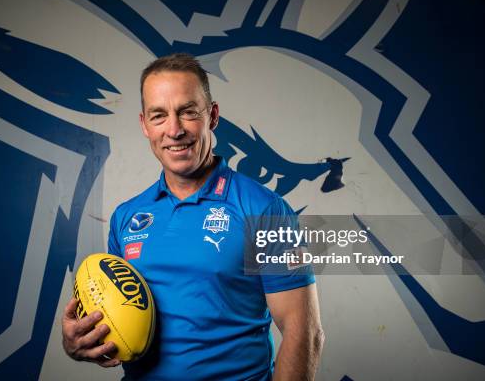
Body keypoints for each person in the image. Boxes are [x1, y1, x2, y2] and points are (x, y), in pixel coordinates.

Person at [62, 53, 324, 380]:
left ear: (212, 116)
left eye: (187, 112)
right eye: (159, 116)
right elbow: (116, 319)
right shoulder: (126, 217)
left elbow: (304, 333)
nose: (174, 130)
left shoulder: (266, 211)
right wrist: (79, 342)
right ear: (144, 124)